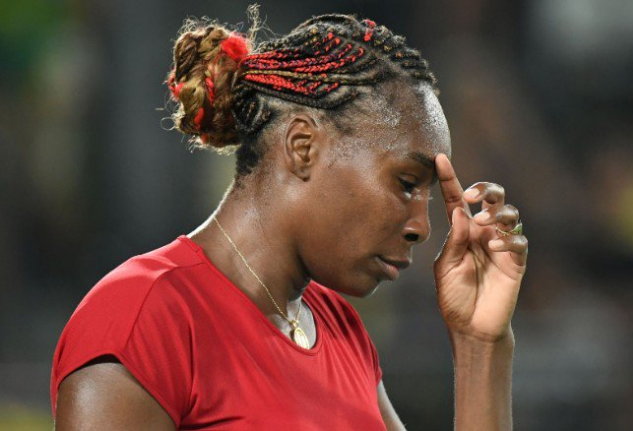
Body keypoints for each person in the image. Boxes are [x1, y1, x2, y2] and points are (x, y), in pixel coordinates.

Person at [50, 7, 528, 430]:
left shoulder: (339, 328)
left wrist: (480, 344)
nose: (421, 227)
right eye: (406, 183)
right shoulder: (142, 320)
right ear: (303, 146)